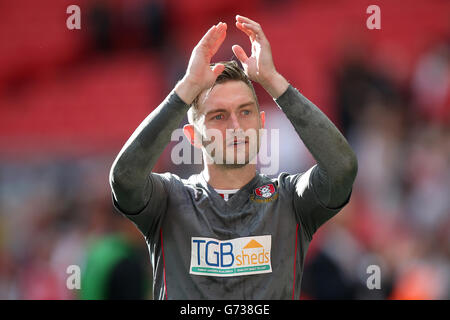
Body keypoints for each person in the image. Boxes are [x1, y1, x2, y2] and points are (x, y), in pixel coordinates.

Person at [109, 15, 358, 299]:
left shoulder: (290, 200)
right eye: (218, 116)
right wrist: (187, 87)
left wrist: (274, 82)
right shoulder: (168, 199)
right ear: (192, 136)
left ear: (261, 124)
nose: (236, 126)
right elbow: (125, 179)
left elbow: (342, 168)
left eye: (245, 112)